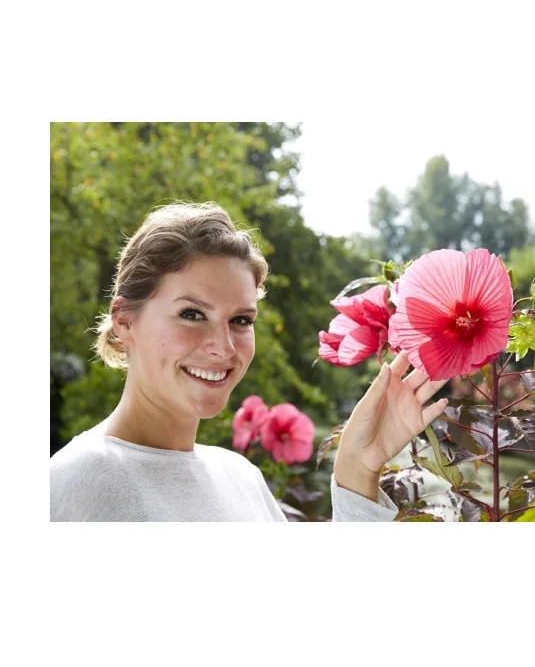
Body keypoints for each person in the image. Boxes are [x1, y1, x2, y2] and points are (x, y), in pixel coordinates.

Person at [50, 202, 449, 522]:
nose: (223, 347)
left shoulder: (240, 476)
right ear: (124, 322)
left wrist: (358, 469)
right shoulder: (79, 481)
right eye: (192, 314)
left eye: (240, 320)